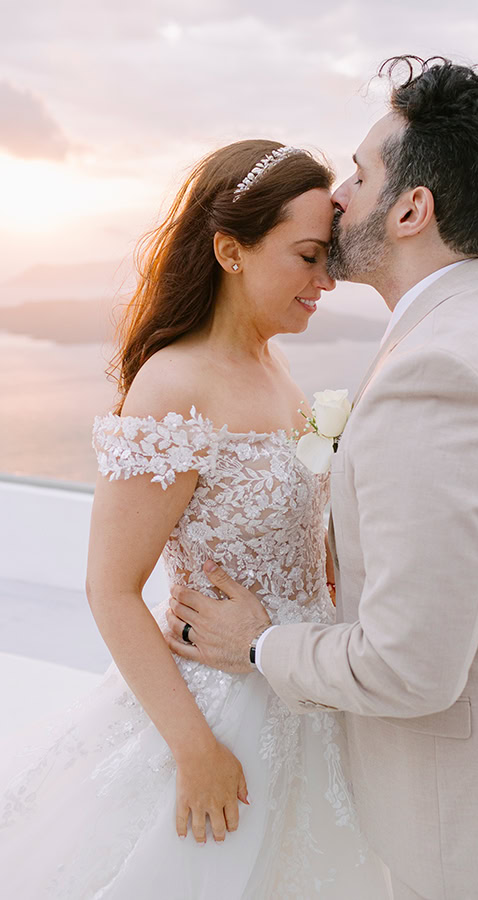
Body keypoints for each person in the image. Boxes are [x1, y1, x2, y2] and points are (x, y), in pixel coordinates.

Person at [163, 58, 478, 900]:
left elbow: (411, 667)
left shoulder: (444, 373)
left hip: (469, 821)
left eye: (360, 176)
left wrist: (257, 645)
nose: (337, 197)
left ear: (410, 210)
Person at [0, 140, 392, 898]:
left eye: (330, 259)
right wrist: (194, 750)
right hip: (219, 708)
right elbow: (111, 588)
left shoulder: (275, 365)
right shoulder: (174, 384)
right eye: (309, 257)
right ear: (230, 251)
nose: (326, 281)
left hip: (300, 688)